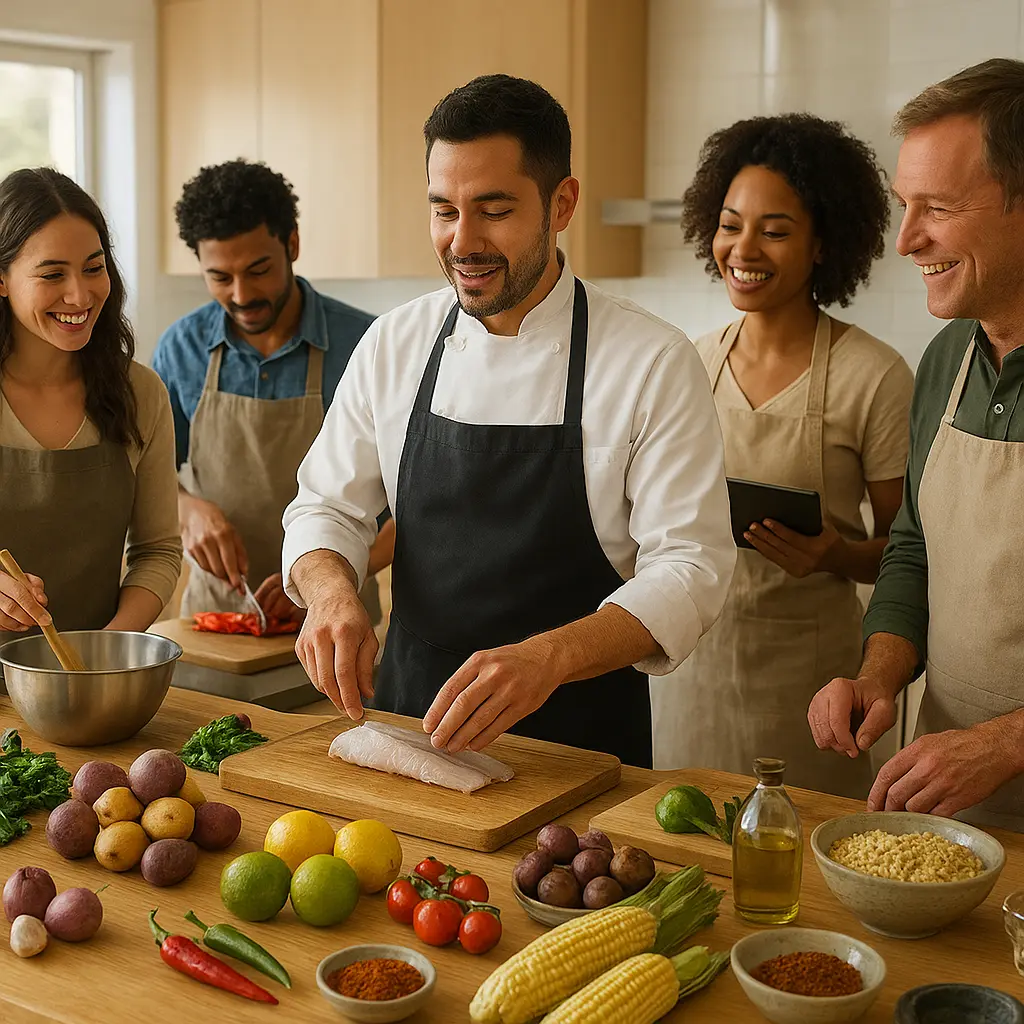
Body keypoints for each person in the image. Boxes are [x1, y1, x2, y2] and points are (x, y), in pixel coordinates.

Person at [281, 74, 735, 768]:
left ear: (562, 204)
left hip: (581, 746)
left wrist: (549, 657)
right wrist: (331, 594)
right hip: (409, 726)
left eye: (493, 210)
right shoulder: (394, 343)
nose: (462, 241)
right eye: (443, 210)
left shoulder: (651, 360)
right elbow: (325, 506)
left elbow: (690, 565)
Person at [654, 115, 914, 796]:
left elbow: (908, 554)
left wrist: (834, 555)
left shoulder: (874, 376)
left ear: (823, 243)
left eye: (774, 231)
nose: (743, 249)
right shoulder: (688, 364)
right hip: (692, 675)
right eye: (730, 225)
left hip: (811, 688)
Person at [808, 58, 1024, 828]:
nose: (906, 240)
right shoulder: (947, 360)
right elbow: (915, 548)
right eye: (906, 206)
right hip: (950, 804)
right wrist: (879, 674)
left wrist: (1005, 743)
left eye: (938, 207)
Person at [153, 159, 390, 624]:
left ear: (292, 244)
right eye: (220, 278)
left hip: (338, 620)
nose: (242, 295)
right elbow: (148, 476)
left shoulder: (367, 344)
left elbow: (417, 504)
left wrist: (326, 582)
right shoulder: (181, 349)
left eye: (258, 270)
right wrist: (186, 508)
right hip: (217, 617)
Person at [0, 168, 181, 645]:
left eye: (94, 268)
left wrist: (104, 652)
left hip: (94, 681)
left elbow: (158, 551)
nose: (80, 295)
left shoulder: (141, 393)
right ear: (2, 279)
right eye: (52, 274)